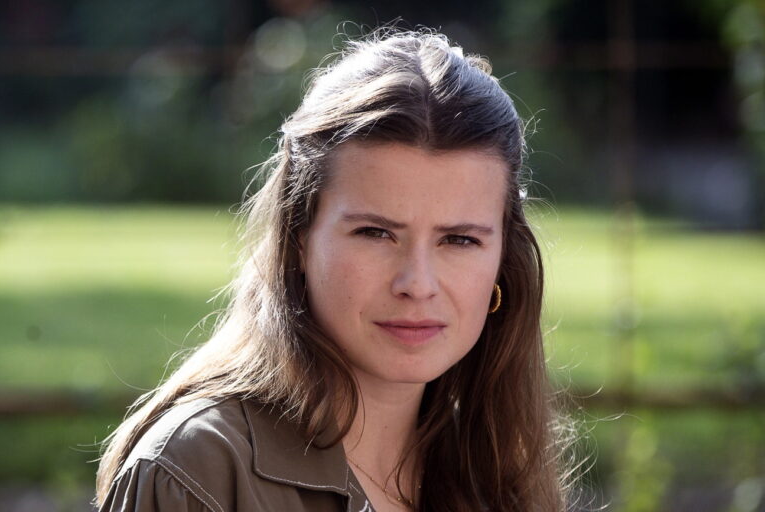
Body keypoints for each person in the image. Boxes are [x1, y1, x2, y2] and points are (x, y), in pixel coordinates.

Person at [95, 27, 572, 512]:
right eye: (375, 233)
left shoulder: (493, 472)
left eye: (459, 240)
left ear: (502, 263)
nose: (417, 284)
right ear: (299, 235)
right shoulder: (199, 470)